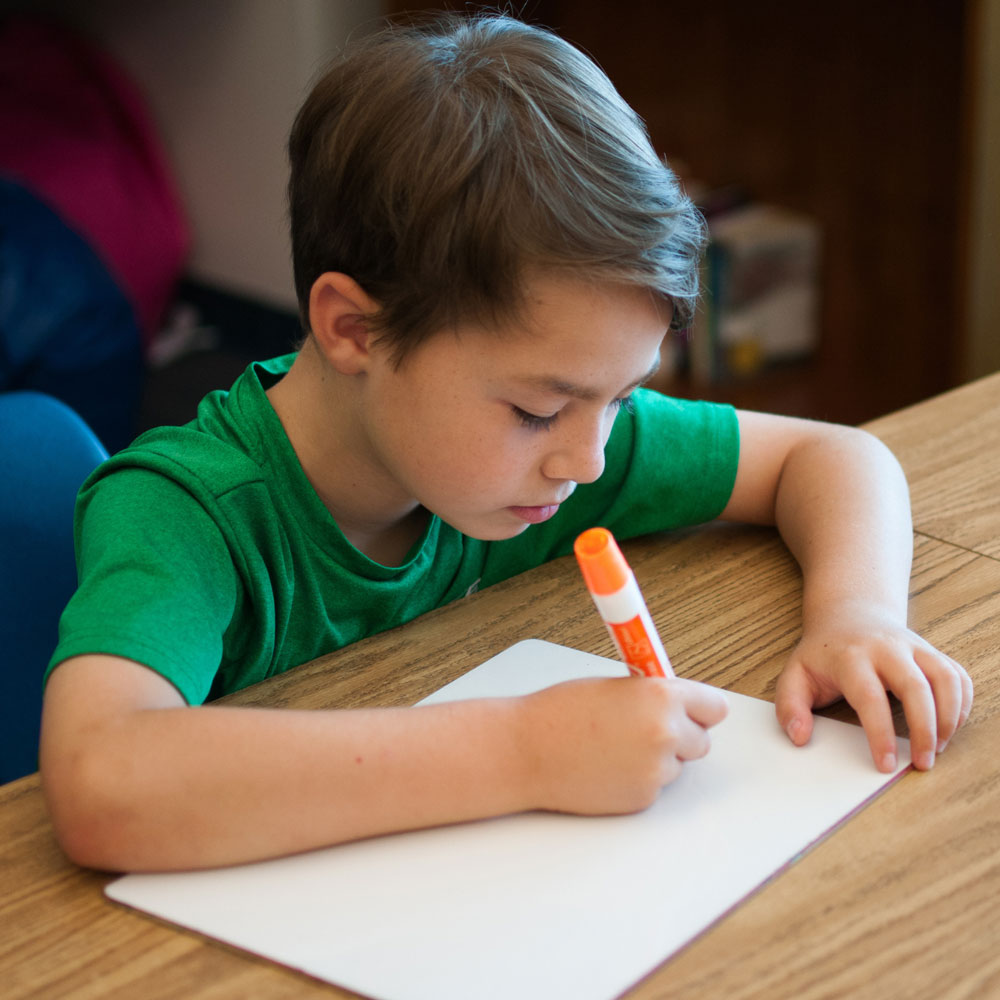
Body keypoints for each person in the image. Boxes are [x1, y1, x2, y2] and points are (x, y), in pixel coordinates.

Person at [40, 13, 972, 873]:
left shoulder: (544, 453)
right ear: (355, 330)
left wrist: (859, 616)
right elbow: (101, 780)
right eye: (538, 410)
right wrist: (523, 753)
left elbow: (836, 457)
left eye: (620, 399)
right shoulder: (185, 514)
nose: (591, 460)